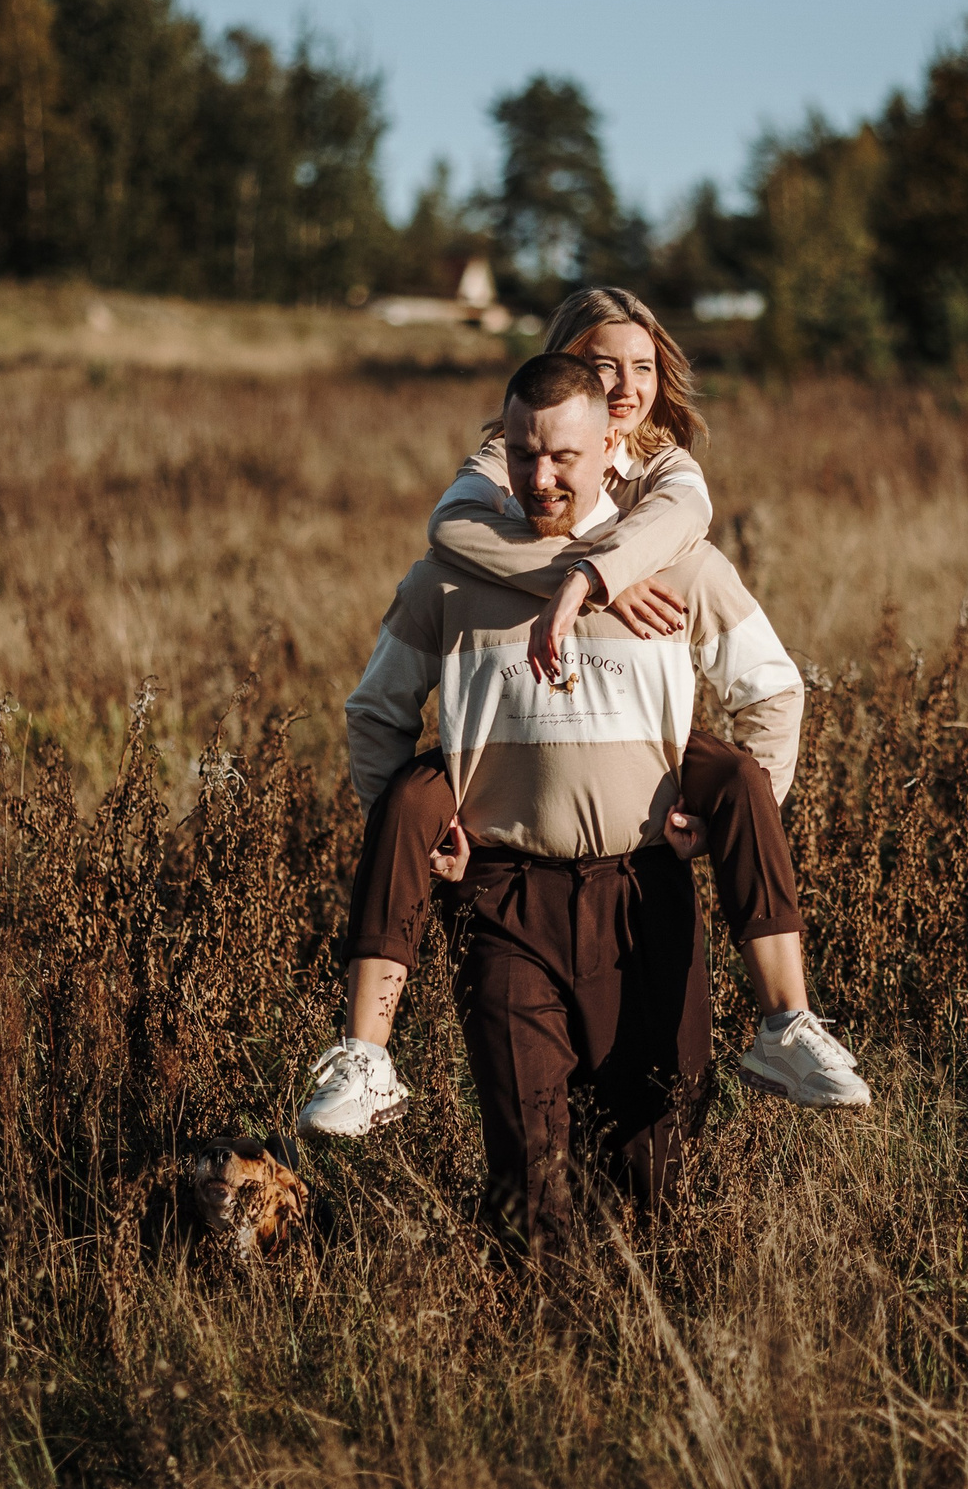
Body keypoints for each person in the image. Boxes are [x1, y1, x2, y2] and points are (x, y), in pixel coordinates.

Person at [298, 290, 867, 1140]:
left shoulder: (678, 544)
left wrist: (722, 820)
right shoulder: (456, 555)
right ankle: (364, 1054)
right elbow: (377, 703)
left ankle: (787, 1020)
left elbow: (774, 690)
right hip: (501, 889)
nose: (542, 476)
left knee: (655, 1140)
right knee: (528, 1154)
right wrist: (429, 843)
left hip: (643, 881)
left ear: (609, 441)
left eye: (637, 373)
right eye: (526, 454)